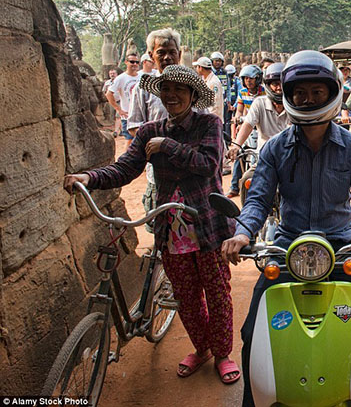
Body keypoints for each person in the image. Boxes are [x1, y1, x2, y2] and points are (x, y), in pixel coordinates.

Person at [221, 50, 351, 407]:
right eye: (300, 93)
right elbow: (257, 200)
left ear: (332, 92)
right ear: (287, 96)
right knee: (250, 331)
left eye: (317, 92)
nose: (308, 100)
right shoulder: (273, 149)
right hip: (287, 247)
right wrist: (243, 233)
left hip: (342, 247)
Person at [63, 65, 240, 384]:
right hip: (171, 230)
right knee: (186, 298)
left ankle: (223, 353)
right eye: (166, 89)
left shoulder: (209, 124)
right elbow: (125, 168)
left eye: (179, 90)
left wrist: (168, 146)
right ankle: (202, 349)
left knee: (217, 294)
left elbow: (209, 165)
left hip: (208, 226)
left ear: (192, 95)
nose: (172, 95)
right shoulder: (148, 130)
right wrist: (90, 178)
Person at [127, 28, 178, 231]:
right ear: (150, 55)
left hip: (190, 174)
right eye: (161, 52)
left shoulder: (194, 86)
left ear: (179, 54)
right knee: (160, 232)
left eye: (172, 52)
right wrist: (157, 145)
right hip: (157, 173)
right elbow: (134, 126)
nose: (167, 57)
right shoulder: (143, 87)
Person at [227, 62, 289, 159]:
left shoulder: (294, 105)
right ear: (268, 86)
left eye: (282, 84)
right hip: (265, 157)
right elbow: (248, 124)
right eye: (275, 84)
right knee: (247, 174)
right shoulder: (259, 103)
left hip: (288, 156)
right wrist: (236, 146)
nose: (279, 88)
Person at [227, 64, 265, 198]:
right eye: (246, 78)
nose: (248, 81)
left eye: (251, 78)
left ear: (258, 79)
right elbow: (239, 110)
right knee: (239, 154)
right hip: (248, 128)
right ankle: (234, 187)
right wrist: (237, 119)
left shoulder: (264, 92)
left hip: (262, 128)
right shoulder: (242, 92)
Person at [106, 53, 141, 145]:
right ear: (126, 62)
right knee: (130, 141)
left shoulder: (141, 77)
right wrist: (119, 109)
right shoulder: (120, 78)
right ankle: (125, 159)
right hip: (127, 116)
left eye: (137, 62)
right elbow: (109, 94)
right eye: (132, 62)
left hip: (141, 116)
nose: (135, 64)